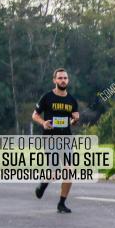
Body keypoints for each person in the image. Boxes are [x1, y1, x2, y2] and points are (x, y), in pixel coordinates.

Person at [32, 68, 80, 213]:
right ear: (54, 80)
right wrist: (43, 123)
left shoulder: (72, 100)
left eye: (65, 78)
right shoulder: (47, 97)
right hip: (50, 139)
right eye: (60, 78)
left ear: (68, 80)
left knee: (69, 170)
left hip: (66, 139)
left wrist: (75, 120)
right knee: (55, 170)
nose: (63, 80)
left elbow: (73, 119)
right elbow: (35, 115)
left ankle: (61, 203)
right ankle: (43, 185)